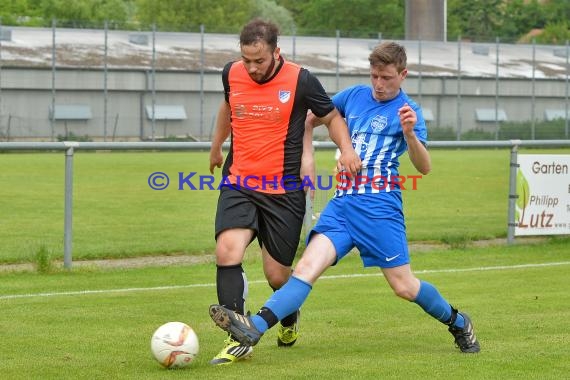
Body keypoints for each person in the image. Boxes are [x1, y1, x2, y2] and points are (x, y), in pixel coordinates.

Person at [209, 41, 481, 355]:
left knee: (404, 287)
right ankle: (254, 327)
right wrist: (306, 155)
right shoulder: (353, 96)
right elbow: (311, 117)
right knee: (304, 271)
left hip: (379, 209)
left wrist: (409, 135)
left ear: (403, 75)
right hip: (341, 206)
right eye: (375, 76)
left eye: (387, 78)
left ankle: (458, 321)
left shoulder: (409, 112)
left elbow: (424, 166)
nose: (379, 84)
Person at [207, 18, 361, 365]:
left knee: (277, 275)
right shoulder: (231, 73)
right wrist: (216, 147)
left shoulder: (300, 79)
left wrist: (347, 149)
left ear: (277, 52)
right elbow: (228, 107)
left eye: (259, 60)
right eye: (246, 60)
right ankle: (238, 336)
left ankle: (288, 315)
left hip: (284, 192)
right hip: (240, 182)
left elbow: (332, 116)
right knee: (226, 250)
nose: (251, 67)